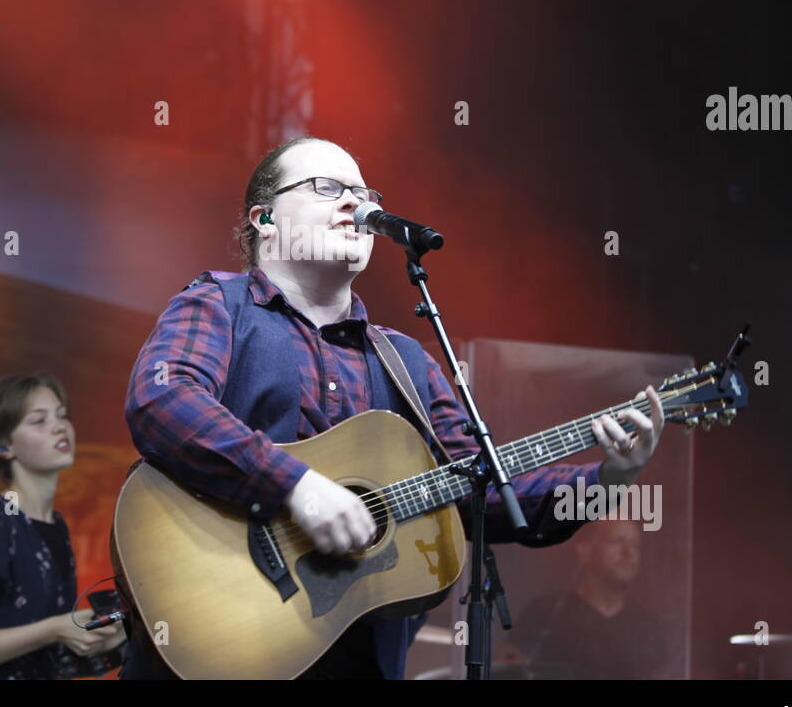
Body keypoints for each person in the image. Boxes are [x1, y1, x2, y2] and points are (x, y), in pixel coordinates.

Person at [120, 136, 664, 679]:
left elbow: (484, 486)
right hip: (223, 638)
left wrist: (612, 476)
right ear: (265, 220)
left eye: (361, 192)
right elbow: (163, 398)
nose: (354, 204)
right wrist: (295, 487)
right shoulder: (219, 304)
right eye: (326, 188)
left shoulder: (406, 361)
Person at [0, 372, 125, 679]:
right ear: (3, 447)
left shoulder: (55, 524)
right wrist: (55, 630)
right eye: (38, 420)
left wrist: (110, 635)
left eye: (62, 415)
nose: (60, 426)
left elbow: (46, 657)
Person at [513, 518, 668, 678]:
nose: (628, 552)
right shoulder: (546, 614)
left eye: (636, 545)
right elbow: (508, 669)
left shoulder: (648, 629)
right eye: (616, 541)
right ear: (584, 549)